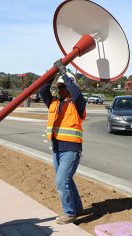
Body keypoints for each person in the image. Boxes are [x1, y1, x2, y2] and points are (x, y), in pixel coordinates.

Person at [39, 59, 86, 224]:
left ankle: (69, 212)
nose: (59, 90)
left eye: (62, 87)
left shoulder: (77, 104)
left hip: (71, 150)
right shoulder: (53, 104)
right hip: (57, 149)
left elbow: (77, 93)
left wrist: (64, 74)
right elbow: (42, 90)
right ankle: (78, 208)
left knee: (61, 181)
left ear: (68, 86)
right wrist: (52, 73)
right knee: (67, 180)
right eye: (58, 87)